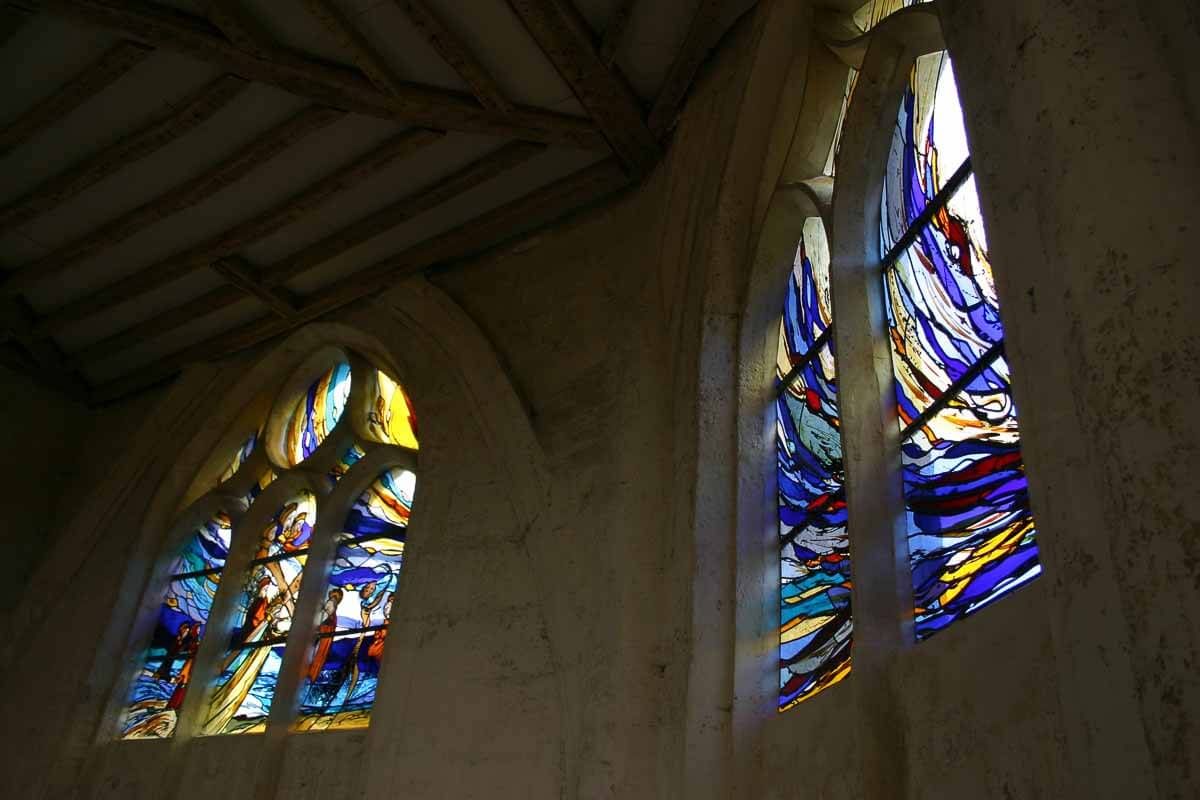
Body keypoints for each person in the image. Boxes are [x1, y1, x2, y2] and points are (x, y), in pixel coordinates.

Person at [307, 588, 343, 682]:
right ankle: (310, 674)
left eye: (334, 596)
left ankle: (309, 673)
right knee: (317, 653)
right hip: (324, 635)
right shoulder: (333, 605)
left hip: (322, 633)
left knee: (315, 652)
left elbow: (322, 617)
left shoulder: (331, 603)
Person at [166, 622, 202, 710]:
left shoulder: (196, 640)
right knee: (183, 682)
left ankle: (177, 704)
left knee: (184, 684)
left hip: (192, 663)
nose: (199, 630)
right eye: (198, 629)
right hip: (190, 662)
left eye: (199, 629)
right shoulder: (193, 640)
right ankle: (174, 705)